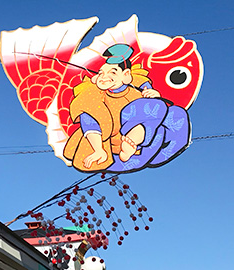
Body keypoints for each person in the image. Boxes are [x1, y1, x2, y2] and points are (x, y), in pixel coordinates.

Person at [62, 43, 190, 173]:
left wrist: (154, 95)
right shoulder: (91, 97)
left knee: (176, 113)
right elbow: (90, 125)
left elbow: (157, 109)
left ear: (126, 75)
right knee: (150, 108)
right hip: (111, 150)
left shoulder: (138, 86)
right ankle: (133, 141)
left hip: (144, 147)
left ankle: (136, 137)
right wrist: (98, 150)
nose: (104, 76)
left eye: (112, 72)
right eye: (101, 73)